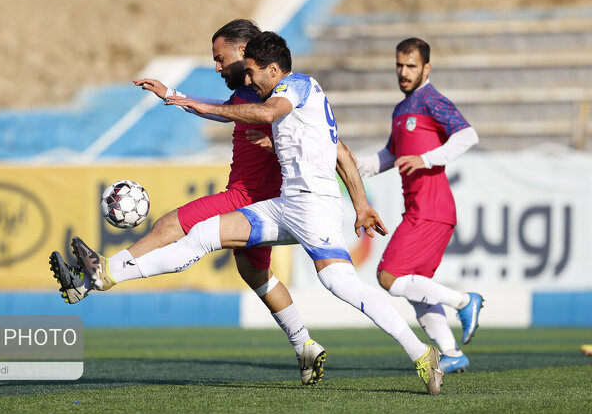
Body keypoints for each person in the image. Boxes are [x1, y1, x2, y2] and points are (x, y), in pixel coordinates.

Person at [68, 31, 445, 394]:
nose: (245, 78)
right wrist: (362, 205)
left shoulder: (295, 86)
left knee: (340, 284)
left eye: (251, 71)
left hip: (315, 208)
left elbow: (270, 114)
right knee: (203, 235)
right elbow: (339, 152)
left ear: (274, 70)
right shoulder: (289, 100)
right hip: (285, 204)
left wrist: (201, 104)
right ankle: (108, 275)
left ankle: (422, 353)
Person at [355, 37, 483, 374]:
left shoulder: (431, 101)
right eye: (399, 65)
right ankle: (452, 353)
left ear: (426, 68)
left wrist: (426, 159)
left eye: (411, 65)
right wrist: (354, 164)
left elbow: (468, 136)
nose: (403, 72)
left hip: (431, 208)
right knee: (415, 291)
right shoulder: (401, 109)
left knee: (388, 276)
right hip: (420, 210)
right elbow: (391, 156)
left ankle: (464, 301)